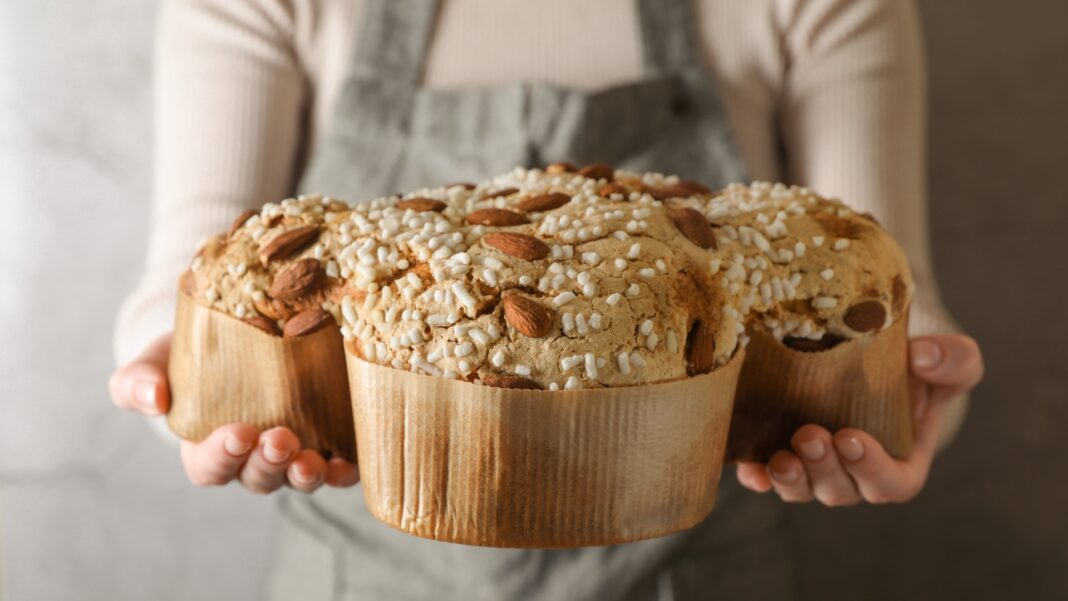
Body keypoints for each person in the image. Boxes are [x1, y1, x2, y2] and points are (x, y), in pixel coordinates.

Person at [108, 0, 984, 598]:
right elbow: (197, 281)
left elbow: (880, 287)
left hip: (698, 575)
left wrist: (913, 389)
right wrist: (179, 387)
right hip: (352, 575)